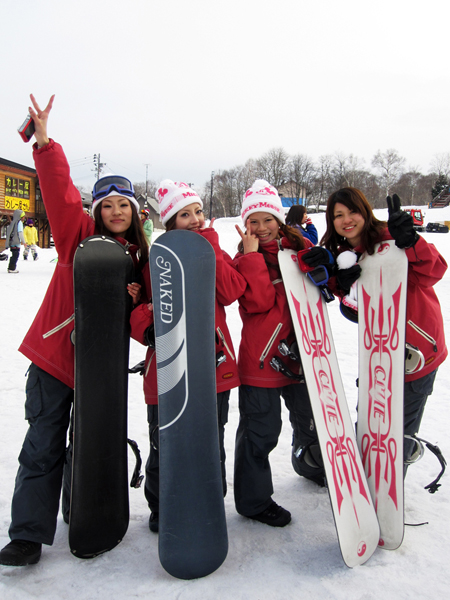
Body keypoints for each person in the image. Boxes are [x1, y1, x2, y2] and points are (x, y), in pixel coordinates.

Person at [0, 94, 149, 567]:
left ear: (135, 212)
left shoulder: (139, 262)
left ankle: (80, 511)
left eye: (125, 204)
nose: (117, 211)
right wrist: (44, 144)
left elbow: (145, 316)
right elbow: (61, 194)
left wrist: (133, 312)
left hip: (98, 369)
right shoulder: (75, 239)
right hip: (54, 359)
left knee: (88, 448)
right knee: (42, 444)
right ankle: (27, 535)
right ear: (98, 210)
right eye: (109, 204)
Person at [130, 180, 246, 533]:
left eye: (198, 212)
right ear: (170, 222)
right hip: (168, 369)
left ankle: (211, 499)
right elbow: (139, 317)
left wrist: (209, 247)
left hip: (214, 367)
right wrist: (143, 314)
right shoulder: (155, 262)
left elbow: (231, 291)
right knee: (164, 440)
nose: (195, 220)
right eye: (185, 215)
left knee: (210, 437)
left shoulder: (216, 251)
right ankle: (162, 505)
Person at [308, 186, 447, 472]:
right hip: (379, 351)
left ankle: (389, 491)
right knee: (373, 418)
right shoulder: (345, 254)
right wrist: (339, 283)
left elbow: (434, 271)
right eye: (338, 215)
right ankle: (365, 477)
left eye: (353, 211)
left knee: (399, 430)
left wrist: (411, 241)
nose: (347, 220)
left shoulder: (392, 239)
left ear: (365, 211)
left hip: (416, 352)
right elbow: (356, 309)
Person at [231, 179, 323, 529]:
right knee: (261, 431)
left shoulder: (296, 250)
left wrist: (321, 263)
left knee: (311, 420)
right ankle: (253, 501)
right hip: (261, 360)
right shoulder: (244, 259)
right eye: (253, 221)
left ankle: (311, 464)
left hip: (302, 356)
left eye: (268, 219)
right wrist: (252, 256)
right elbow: (258, 303)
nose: (261, 227)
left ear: (279, 220)